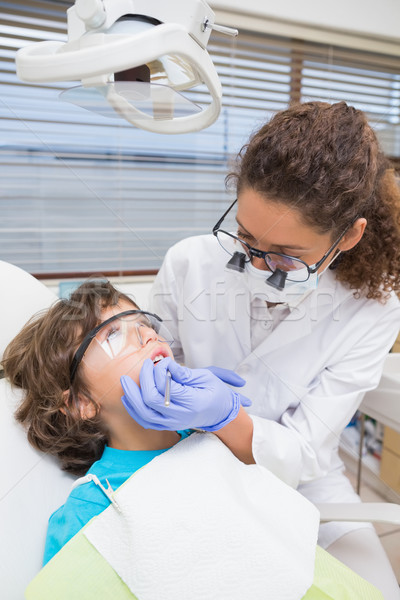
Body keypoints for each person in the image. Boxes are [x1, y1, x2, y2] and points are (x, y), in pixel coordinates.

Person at [121, 101, 400, 599]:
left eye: (288, 257)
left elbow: (308, 447)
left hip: (301, 479)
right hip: (182, 456)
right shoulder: (188, 262)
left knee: (371, 589)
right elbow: (154, 357)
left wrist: (228, 417)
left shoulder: (373, 310)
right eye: (246, 240)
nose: (256, 266)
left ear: (350, 235)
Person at [2, 280, 249, 565]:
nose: (148, 336)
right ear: (80, 403)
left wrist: (230, 420)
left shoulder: (214, 437)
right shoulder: (90, 509)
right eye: (114, 336)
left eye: (145, 324)